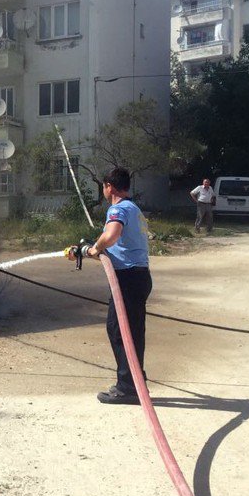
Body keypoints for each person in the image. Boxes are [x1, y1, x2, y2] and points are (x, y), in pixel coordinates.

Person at [83, 167, 152, 405]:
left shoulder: (119, 208)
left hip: (128, 278)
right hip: (138, 276)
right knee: (131, 332)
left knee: (119, 330)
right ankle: (135, 382)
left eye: (103, 187)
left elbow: (112, 235)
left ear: (109, 187)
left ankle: (127, 388)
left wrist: (96, 248)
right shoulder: (134, 209)